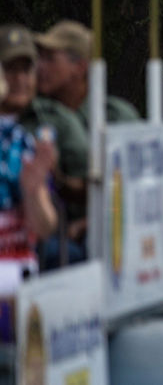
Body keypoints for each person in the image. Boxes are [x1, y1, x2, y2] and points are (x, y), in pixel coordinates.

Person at [0, 24, 91, 265]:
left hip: (35, 242)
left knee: (69, 256)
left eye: (26, 69)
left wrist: (51, 180)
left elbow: (91, 183)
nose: (19, 79)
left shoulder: (57, 120)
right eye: (10, 70)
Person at [0, 64, 59, 345]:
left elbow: (45, 225)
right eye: (10, 70)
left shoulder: (25, 142)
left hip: (19, 276)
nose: (19, 79)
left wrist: (33, 189)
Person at [35, 20, 139, 125]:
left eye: (50, 59)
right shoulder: (36, 116)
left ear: (80, 67)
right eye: (40, 58)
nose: (40, 66)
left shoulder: (115, 117)